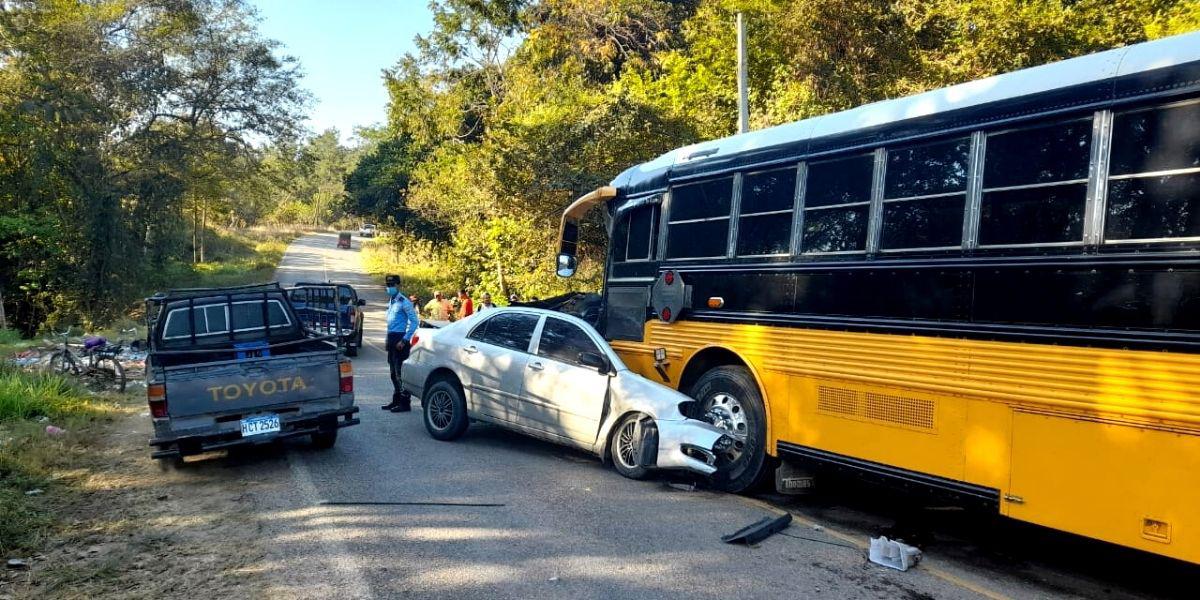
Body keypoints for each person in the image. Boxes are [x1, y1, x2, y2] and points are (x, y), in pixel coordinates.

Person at [381, 274, 420, 412]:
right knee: (392, 373)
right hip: (392, 338)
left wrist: (404, 340)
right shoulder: (391, 301)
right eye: (388, 285)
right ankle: (396, 400)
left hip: (400, 340)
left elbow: (415, 322)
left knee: (400, 373)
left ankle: (405, 403)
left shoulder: (404, 302)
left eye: (392, 285)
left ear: (398, 285)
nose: (390, 287)